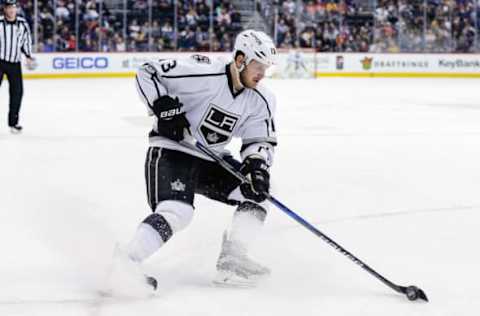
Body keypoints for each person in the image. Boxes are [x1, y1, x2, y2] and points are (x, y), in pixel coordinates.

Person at [110, 30, 278, 294]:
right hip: (172, 150)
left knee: (260, 195)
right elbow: (147, 72)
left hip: (211, 159)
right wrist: (162, 106)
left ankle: (232, 260)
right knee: (178, 211)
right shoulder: (202, 73)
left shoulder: (261, 100)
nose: (262, 74)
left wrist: (257, 166)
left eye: (265, 68)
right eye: (258, 66)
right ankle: (126, 262)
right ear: (240, 59)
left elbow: (259, 139)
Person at [0, 0, 34, 134]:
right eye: (9, 7)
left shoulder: (22, 24)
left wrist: (29, 55)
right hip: (0, 61)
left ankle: (13, 123)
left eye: (13, 7)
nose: (11, 10)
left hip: (15, 62)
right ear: (5, 9)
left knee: (17, 93)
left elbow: (26, 40)